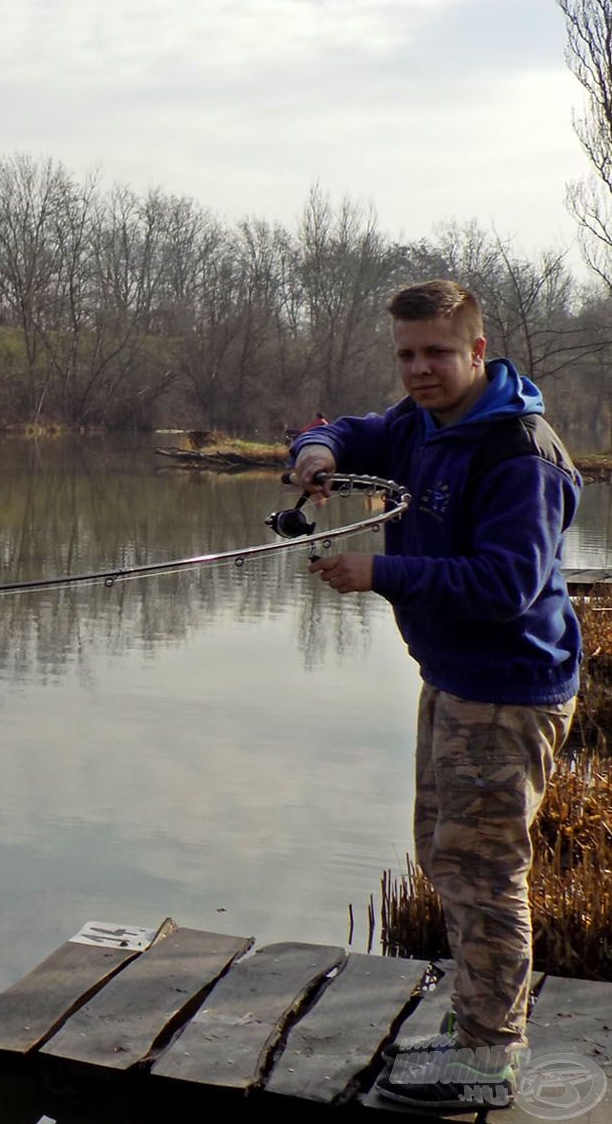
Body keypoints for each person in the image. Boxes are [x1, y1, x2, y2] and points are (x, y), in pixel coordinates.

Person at [290, 279, 580, 1113]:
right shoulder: (420, 423)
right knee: (446, 856)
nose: (419, 370)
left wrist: (379, 572)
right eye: (407, 354)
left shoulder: (519, 453)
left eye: (437, 353)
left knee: (485, 871)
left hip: (509, 690)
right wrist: (317, 455)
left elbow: (507, 586)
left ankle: (489, 1056)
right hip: (453, 677)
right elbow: (349, 430)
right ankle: (475, 1023)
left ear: (477, 351)